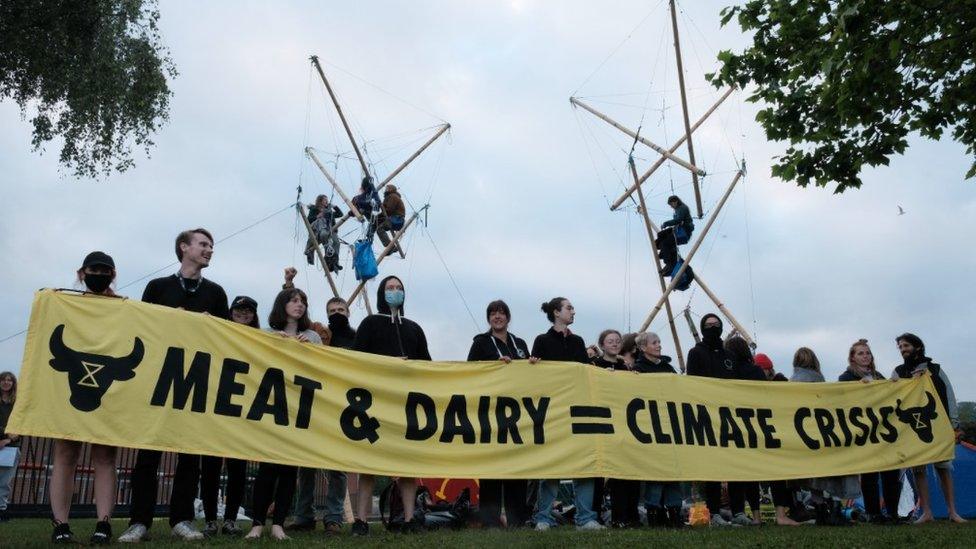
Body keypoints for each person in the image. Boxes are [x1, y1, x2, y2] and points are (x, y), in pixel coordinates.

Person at [118, 229, 229, 543]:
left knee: (189, 453)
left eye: (212, 246)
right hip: (159, 377)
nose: (209, 250)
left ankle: (181, 519)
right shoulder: (157, 287)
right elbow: (143, 329)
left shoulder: (217, 293)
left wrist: (212, 325)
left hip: (195, 379)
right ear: (184, 247)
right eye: (203, 244)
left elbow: (226, 338)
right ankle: (139, 521)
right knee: (148, 452)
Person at [49, 252, 122, 544]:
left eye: (105, 270)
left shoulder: (125, 309)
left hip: (107, 390)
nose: (99, 274)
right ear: (82, 273)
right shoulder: (65, 304)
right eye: (94, 269)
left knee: (105, 455)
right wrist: (51, 302)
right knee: (65, 453)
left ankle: (103, 522)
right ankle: (60, 524)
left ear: (113, 275)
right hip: (72, 387)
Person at [352, 275, 432, 535]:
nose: (395, 291)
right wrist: (388, 364)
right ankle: (361, 521)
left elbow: (427, 365)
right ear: (381, 293)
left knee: (407, 464)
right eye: (390, 288)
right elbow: (356, 360)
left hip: (404, 404)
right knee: (368, 465)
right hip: (375, 403)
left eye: (399, 288)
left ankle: (409, 520)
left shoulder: (414, 328)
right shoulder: (370, 324)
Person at [246, 289, 323, 541]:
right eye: (294, 300)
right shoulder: (267, 333)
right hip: (271, 405)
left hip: (297, 407)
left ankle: (278, 523)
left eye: (303, 301)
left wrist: (313, 351)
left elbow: (323, 367)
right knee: (267, 467)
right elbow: (252, 359)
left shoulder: (312, 336)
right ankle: (257, 523)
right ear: (282, 304)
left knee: (289, 469)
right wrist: (270, 344)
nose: (299, 305)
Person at [530, 297, 604, 531]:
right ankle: (543, 517)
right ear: (556, 312)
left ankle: (585, 518)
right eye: (569, 307)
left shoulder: (578, 341)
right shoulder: (541, 340)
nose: (573, 311)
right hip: (553, 412)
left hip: (577, 411)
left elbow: (584, 373)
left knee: (584, 465)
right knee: (551, 466)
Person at [290, 296, 354, 535]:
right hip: (314, 403)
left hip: (341, 405)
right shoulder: (318, 336)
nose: (337, 313)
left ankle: (333, 516)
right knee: (306, 463)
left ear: (348, 312)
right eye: (332, 310)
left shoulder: (356, 337)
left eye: (341, 309)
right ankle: (304, 515)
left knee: (337, 465)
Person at [467, 300, 531, 528]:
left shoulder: (520, 343)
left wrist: (533, 365)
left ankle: (517, 520)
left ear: (508, 317)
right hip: (491, 413)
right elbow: (470, 371)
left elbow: (530, 377)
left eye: (501, 313)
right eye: (493, 313)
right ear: (488, 318)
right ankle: (490, 521)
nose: (497, 317)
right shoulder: (481, 342)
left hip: (517, 413)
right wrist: (494, 365)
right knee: (492, 468)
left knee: (517, 466)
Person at [198, 296, 258, 538]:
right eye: (239, 309)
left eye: (248, 310)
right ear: (230, 312)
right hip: (215, 406)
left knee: (237, 469)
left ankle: (231, 519)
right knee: (210, 467)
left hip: (242, 409)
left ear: (254, 315)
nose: (243, 313)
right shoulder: (218, 332)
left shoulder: (260, 339)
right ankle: (211, 520)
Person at [892, 333, 966, 524]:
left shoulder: (935, 369)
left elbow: (949, 395)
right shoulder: (899, 372)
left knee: (943, 467)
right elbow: (890, 396)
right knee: (918, 469)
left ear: (917, 347)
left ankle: (952, 511)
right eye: (900, 347)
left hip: (939, 425)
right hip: (912, 428)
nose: (902, 350)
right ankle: (926, 512)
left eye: (906, 345)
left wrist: (954, 424)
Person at [686, 313, 746, 526]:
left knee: (735, 464)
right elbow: (691, 383)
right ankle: (714, 512)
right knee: (712, 465)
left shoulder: (729, 355)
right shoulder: (695, 353)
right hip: (707, 416)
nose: (713, 328)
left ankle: (739, 510)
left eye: (716, 324)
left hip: (730, 416)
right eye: (709, 325)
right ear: (703, 329)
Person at [791, 347, 861, 524]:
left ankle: (820, 510)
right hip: (822, 434)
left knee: (813, 477)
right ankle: (833, 511)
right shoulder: (821, 383)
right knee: (829, 472)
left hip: (802, 437)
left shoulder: (791, 384)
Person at [838, 339, 902, 523]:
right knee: (870, 475)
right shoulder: (846, 378)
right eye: (860, 353)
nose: (865, 356)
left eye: (867, 353)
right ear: (852, 358)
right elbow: (841, 402)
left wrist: (895, 385)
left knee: (891, 473)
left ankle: (892, 513)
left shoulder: (879, 376)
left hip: (884, 431)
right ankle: (874, 513)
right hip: (864, 432)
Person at [631, 332, 684, 528]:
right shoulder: (638, 369)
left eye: (659, 342)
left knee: (672, 472)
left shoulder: (668, 368)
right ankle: (654, 513)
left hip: (670, 426)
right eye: (655, 343)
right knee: (655, 472)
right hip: (650, 428)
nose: (659, 345)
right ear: (644, 348)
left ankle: (675, 512)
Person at [723, 337, 764, 525]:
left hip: (733, 425)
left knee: (736, 473)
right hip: (754, 424)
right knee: (754, 474)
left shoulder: (728, 372)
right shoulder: (756, 371)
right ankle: (756, 515)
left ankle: (738, 511)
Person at [0, 371, 19, 525]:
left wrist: (7, 439)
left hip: (10, 447)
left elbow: (18, 428)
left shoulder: (17, 404)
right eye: (3, 380)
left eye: (9, 380)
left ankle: (1, 510)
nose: (6, 382)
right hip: (4, 441)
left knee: (4, 481)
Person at [305, 194, 343, 271]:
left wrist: (334, 206)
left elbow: (340, 214)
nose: (327, 201)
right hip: (320, 230)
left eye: (327, 200)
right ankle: (328, 261)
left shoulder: (328, 211)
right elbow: (309, 220)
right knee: (325, 238)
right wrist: (317, 216)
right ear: (320, 201)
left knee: (336, 243)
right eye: (325, 200)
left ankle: (335, 262)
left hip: (331, 230)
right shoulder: (314, 209)